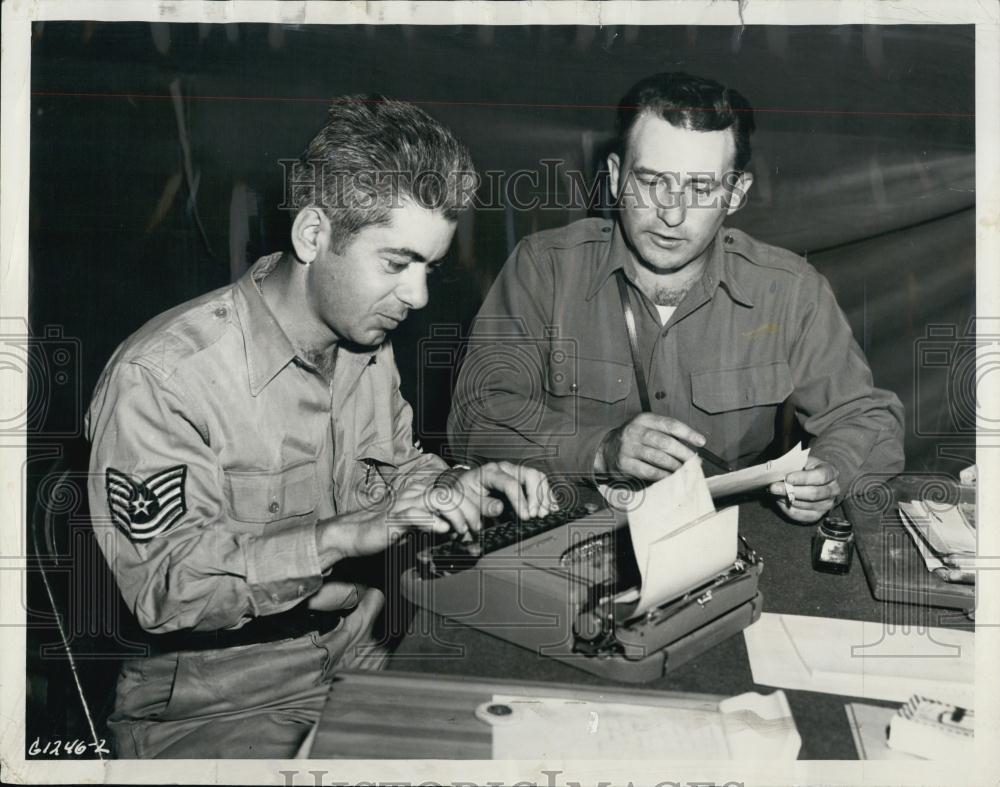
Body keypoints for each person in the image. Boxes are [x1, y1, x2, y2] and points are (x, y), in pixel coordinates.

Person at [85, 96, 553, 759]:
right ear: (312, 236)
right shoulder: (161, 377)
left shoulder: (365, 342)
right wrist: (342, 536)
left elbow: (395, 469)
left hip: (366, 651)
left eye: (429, 267)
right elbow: (167, 588)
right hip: (215, 705)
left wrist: (458, 483)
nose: (418, 296)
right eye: (396, 263)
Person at [448, 72, 904, 522]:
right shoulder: (544, 269)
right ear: (613, 177)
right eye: (651, 181)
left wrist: (830, 472)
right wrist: (600, 450)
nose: (672, 213)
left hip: (724, 539)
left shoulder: (788, 289)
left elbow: (868, 418)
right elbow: (474, 416)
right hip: (566, 533)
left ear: (736, 193)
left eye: (701, 188)